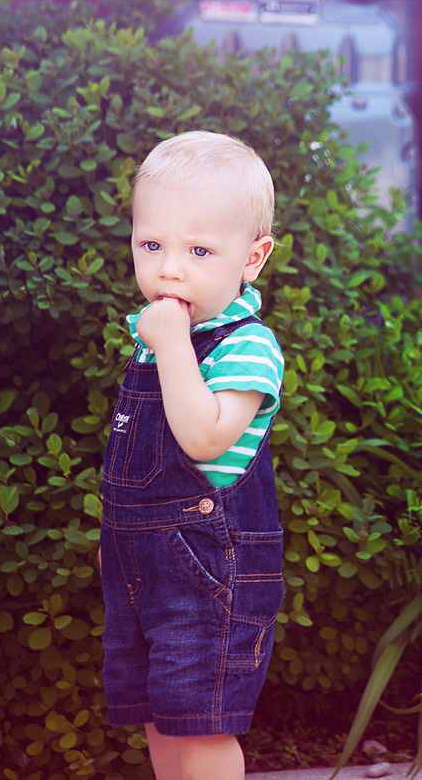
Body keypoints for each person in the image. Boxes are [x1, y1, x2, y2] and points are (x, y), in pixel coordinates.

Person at [99, 131, 285, 780]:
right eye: (151, 245)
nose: (169, 268)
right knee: (158, 712)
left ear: (252, 257)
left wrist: (173, 345)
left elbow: (205, 437)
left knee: (201, 722)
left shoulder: (247, 346)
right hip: (140, 569)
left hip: (210, 573)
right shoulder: (161, 340)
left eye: (199, 250)